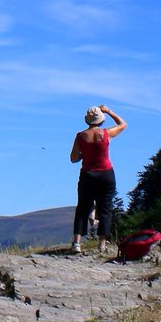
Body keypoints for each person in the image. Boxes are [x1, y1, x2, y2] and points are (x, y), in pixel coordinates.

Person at [70, 104, 126, 254]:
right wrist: (109, 111)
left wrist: (84, 154)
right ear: (101, 120)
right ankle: (101, 243)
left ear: (87, 121)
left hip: (88, 174)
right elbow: (123, 124)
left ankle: (76, 243)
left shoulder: (80, 136)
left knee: (82, 207)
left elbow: (73, 158)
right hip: (106, 174)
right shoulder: (106, 134)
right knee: (106, 208)